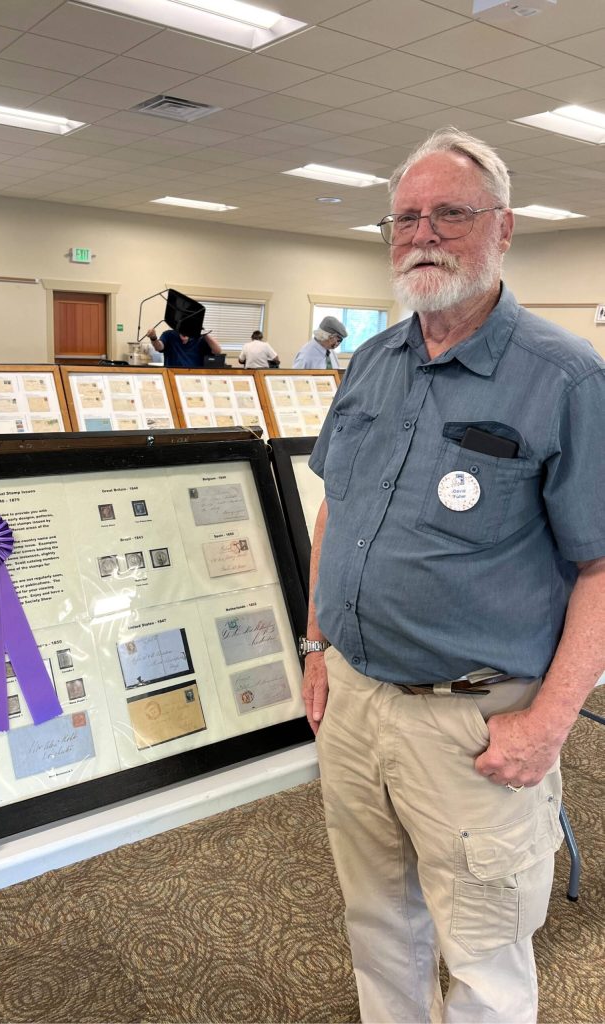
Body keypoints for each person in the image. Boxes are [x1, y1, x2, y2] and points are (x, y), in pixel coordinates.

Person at [301, 128, 605, 1024]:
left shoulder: (566, 380)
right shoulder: (370, 362)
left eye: (450, 213)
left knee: (482, 954)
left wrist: (548, 725)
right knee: (378, 925)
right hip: (355, 705)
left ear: (501, 228)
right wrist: (318, 644)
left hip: (477, 725)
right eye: (405, 218)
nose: (422, 233)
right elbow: (336, 509)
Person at [144, 325, 221, 369]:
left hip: (194, 378)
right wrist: (153, 337)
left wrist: (205, 334)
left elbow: (217, 351)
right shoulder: (169, 335)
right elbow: (159, 347)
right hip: (172, 376)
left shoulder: (199, 338)